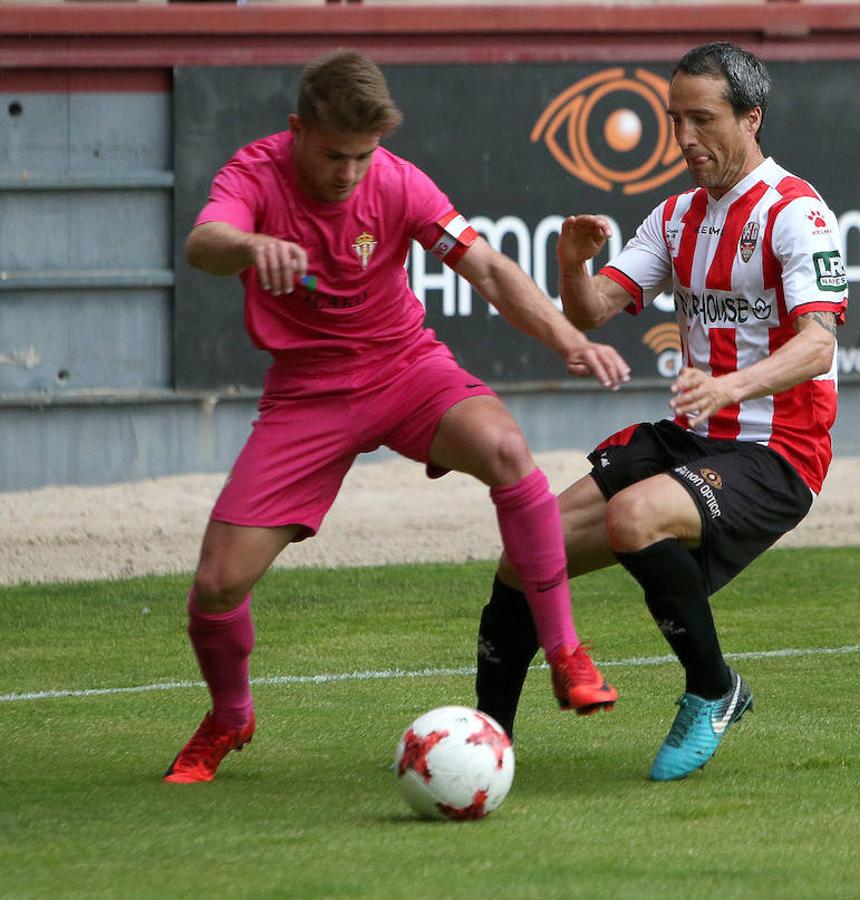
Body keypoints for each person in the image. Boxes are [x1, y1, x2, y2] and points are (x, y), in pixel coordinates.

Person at [163, 49, 632, 784]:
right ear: (296, 130)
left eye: (364, 154)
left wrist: (569, 338)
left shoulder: (397, 181)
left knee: (508, 449)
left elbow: (489, 270)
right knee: (218, 584)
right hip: (308, 394)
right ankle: (229, 715)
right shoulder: (253, 173)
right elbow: (203, 244)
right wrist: (253, 244)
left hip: (405, 368)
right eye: (333, 154)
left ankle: (567, 652)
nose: (350, 172)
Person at [475, 41, 847, 781]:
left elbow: (818, 347)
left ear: (751, 118)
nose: (683, 140)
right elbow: (590, 312)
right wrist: (572, 260)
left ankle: (714, 689)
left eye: (702, 120)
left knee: (634, 518)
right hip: (693, 436)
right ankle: (485, 744)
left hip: (779, 450)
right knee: (528, 554)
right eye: (674, 120)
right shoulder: (675, 216)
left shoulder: (797, 214)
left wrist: (730, 387)